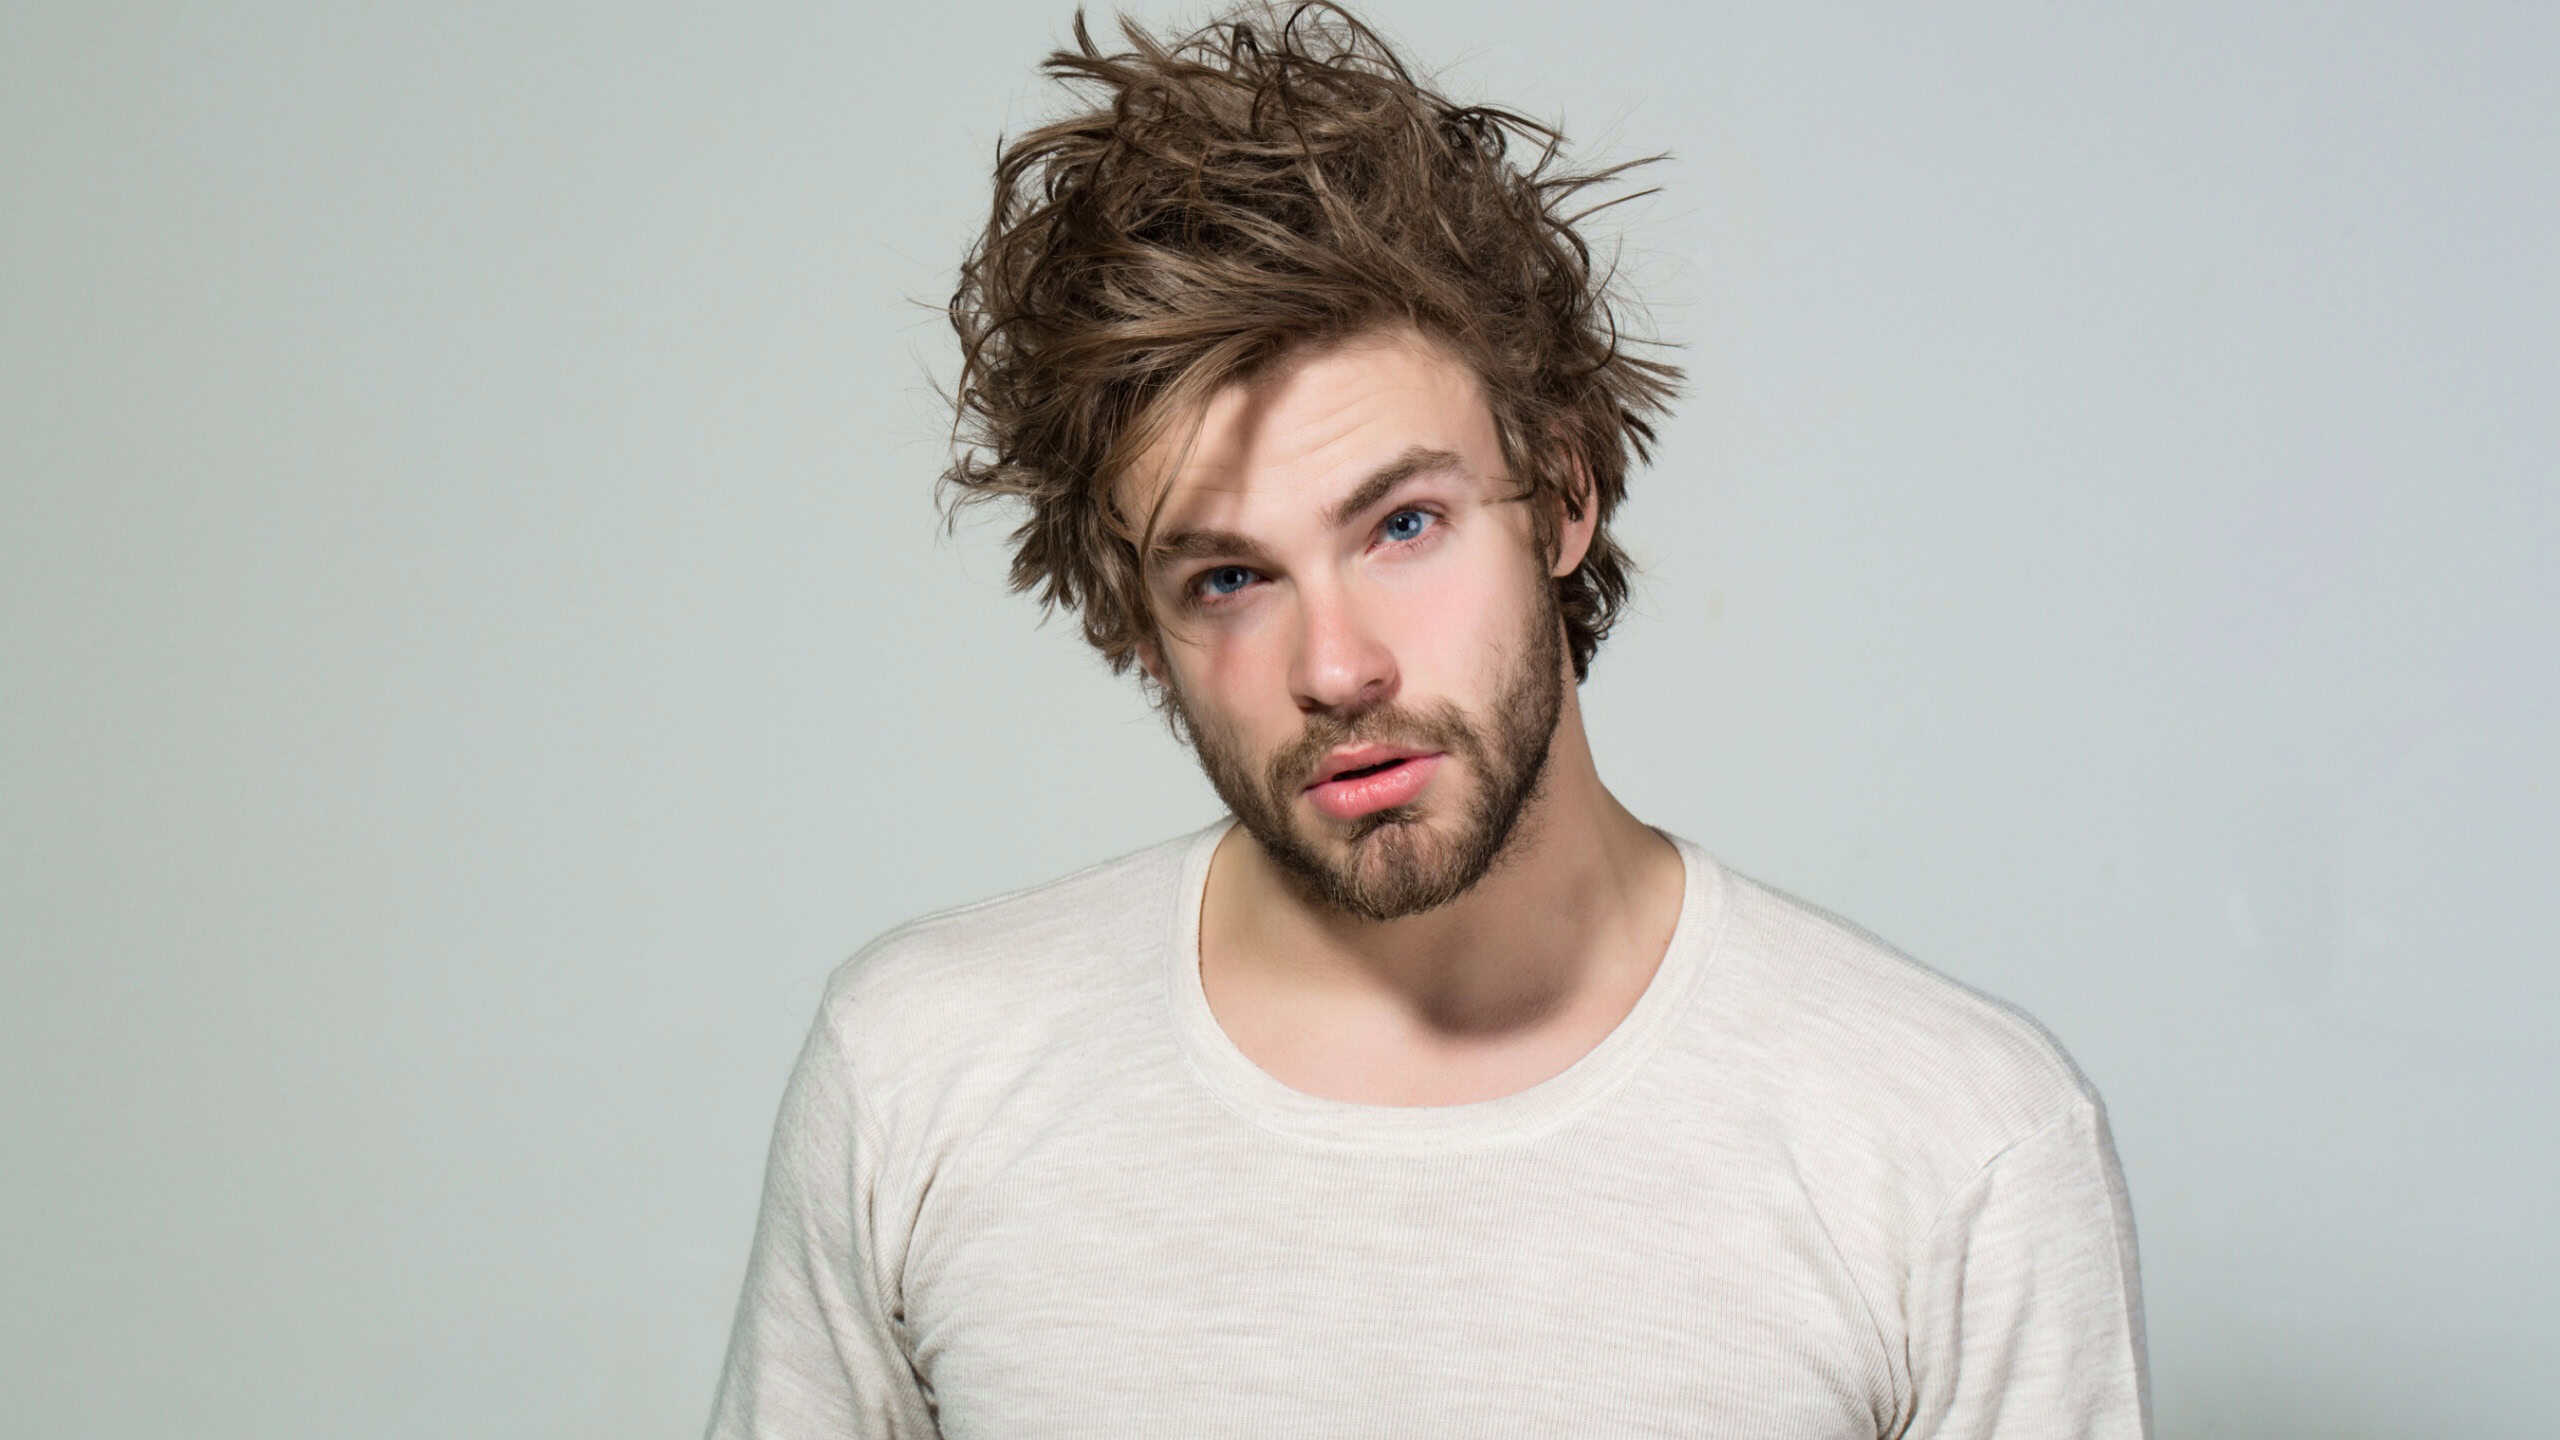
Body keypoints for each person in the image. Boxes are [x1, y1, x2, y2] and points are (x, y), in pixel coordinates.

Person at [706, 4, 2150, 1435]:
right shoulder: (922, 1075)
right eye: (1228, 575)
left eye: (1403, 523)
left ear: (1566, 492)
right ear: (1140, 625)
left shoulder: (1952, 1144)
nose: (1337, 668)